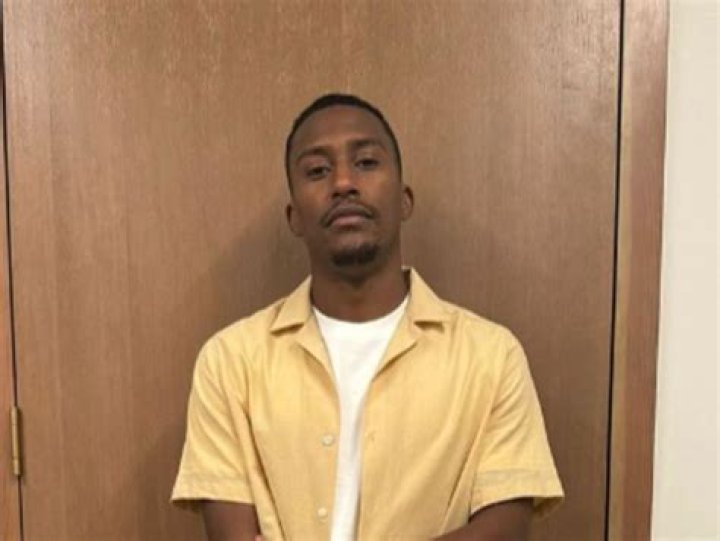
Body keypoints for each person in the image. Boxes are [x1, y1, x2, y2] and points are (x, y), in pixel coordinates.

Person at [171, 94, 564, 540]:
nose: (343, 182)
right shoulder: (230, 362)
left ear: (404, 200)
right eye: (317, 170)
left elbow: (506, 530)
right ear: (294, 216)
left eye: (366, 162)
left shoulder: (491, 357)